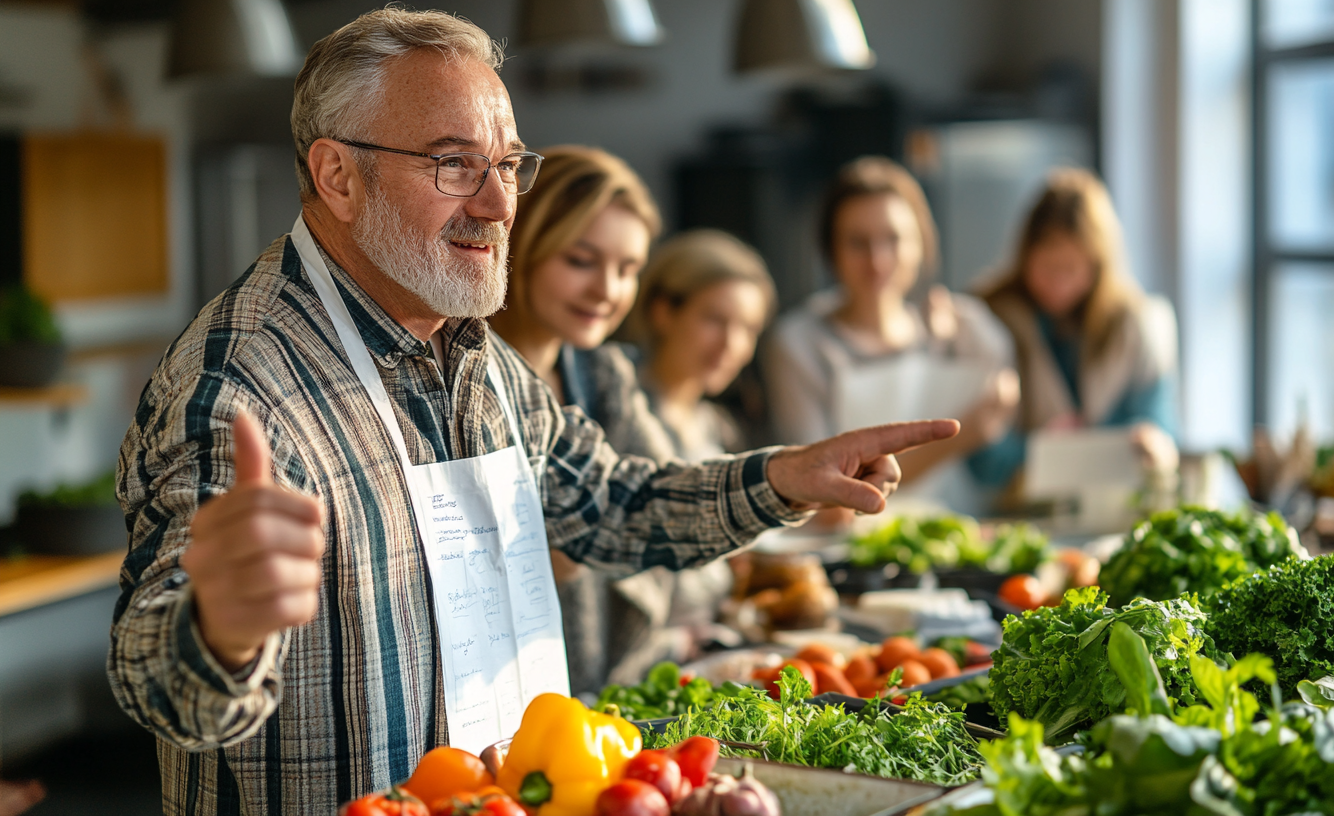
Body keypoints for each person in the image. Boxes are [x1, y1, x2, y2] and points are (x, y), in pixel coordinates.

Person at [105, 10, 955, 814]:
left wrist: (782, 478)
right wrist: (218, 631)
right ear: (337, 175)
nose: (501, 205)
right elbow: (150, 678)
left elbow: (607, 504)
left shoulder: (475, 353)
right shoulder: (239, 387)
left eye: (508, 164)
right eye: (454, 164)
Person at [487, 144, 696, 692]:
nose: (607, 291)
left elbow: (671, 489)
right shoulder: (464, 379)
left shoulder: (602, 373)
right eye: (581, 261)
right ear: (523, 245)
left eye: (627, 269)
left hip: (601, 686)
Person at [763, 156, 1018, 517]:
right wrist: (960, 436)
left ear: (922, 244)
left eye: (894, 239)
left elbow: (1007, 394)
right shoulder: (801, 344)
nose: (877, 261)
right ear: (830, 250)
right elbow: (822, 497)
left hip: (961, 530)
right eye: (857, 242)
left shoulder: (962, 327)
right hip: (853, 549)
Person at [976, 167, 1179, 488]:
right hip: (1019, 506)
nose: (1058, 285)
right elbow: (982, 453)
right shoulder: (991, 320)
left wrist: (1151, 442)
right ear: (1024, 257)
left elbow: (1159, 424)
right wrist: (1045, 453)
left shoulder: (1133, 326)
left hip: (1111, 501)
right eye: (1046, 267)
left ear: (1098, 266)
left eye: (1070, 269)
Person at [625, 229, 777, 461]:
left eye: (749, 329)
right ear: (662, 311)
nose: (732, 344)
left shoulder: (721, 429)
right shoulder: (613, 402)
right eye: (715, 319)